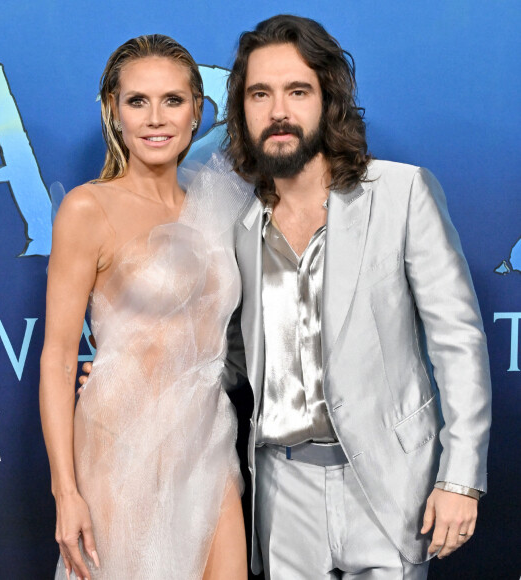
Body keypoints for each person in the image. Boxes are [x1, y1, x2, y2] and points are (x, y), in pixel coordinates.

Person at [221, 14, 492, 579]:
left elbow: (457, 343)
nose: (278, 112)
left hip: (391, 483)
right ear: (242, 110)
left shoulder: (400, 192)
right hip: (281, 484)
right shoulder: (239, 227)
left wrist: (459, 477)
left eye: (298, 91)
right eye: (260, 94)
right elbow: (232, 360)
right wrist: (139, 375)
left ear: (329, 98)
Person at [39, 34, 249, 580]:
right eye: (137, 101)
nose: (156, 119)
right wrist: (66, 493)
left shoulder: (221, 202)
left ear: (199, 111)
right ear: (113, 110)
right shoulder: (88, 208)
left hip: (208, 443)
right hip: (120, 449)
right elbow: (59, 357)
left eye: (173, 101)